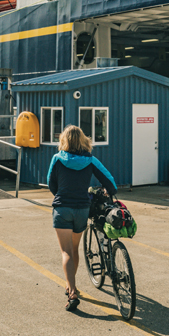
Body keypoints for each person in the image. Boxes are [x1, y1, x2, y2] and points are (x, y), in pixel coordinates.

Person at [47, 125, 117, 311]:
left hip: (62, 209)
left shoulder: (57, 159)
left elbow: (50, 183)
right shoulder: (91, 160)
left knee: (66, 252)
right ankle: (71, 285)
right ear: (83, 140)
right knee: (75, 249)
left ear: (64, 140)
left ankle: (72, 293)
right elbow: (109, 181)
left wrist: (60, 195)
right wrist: (109, 192)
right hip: (82, 210)